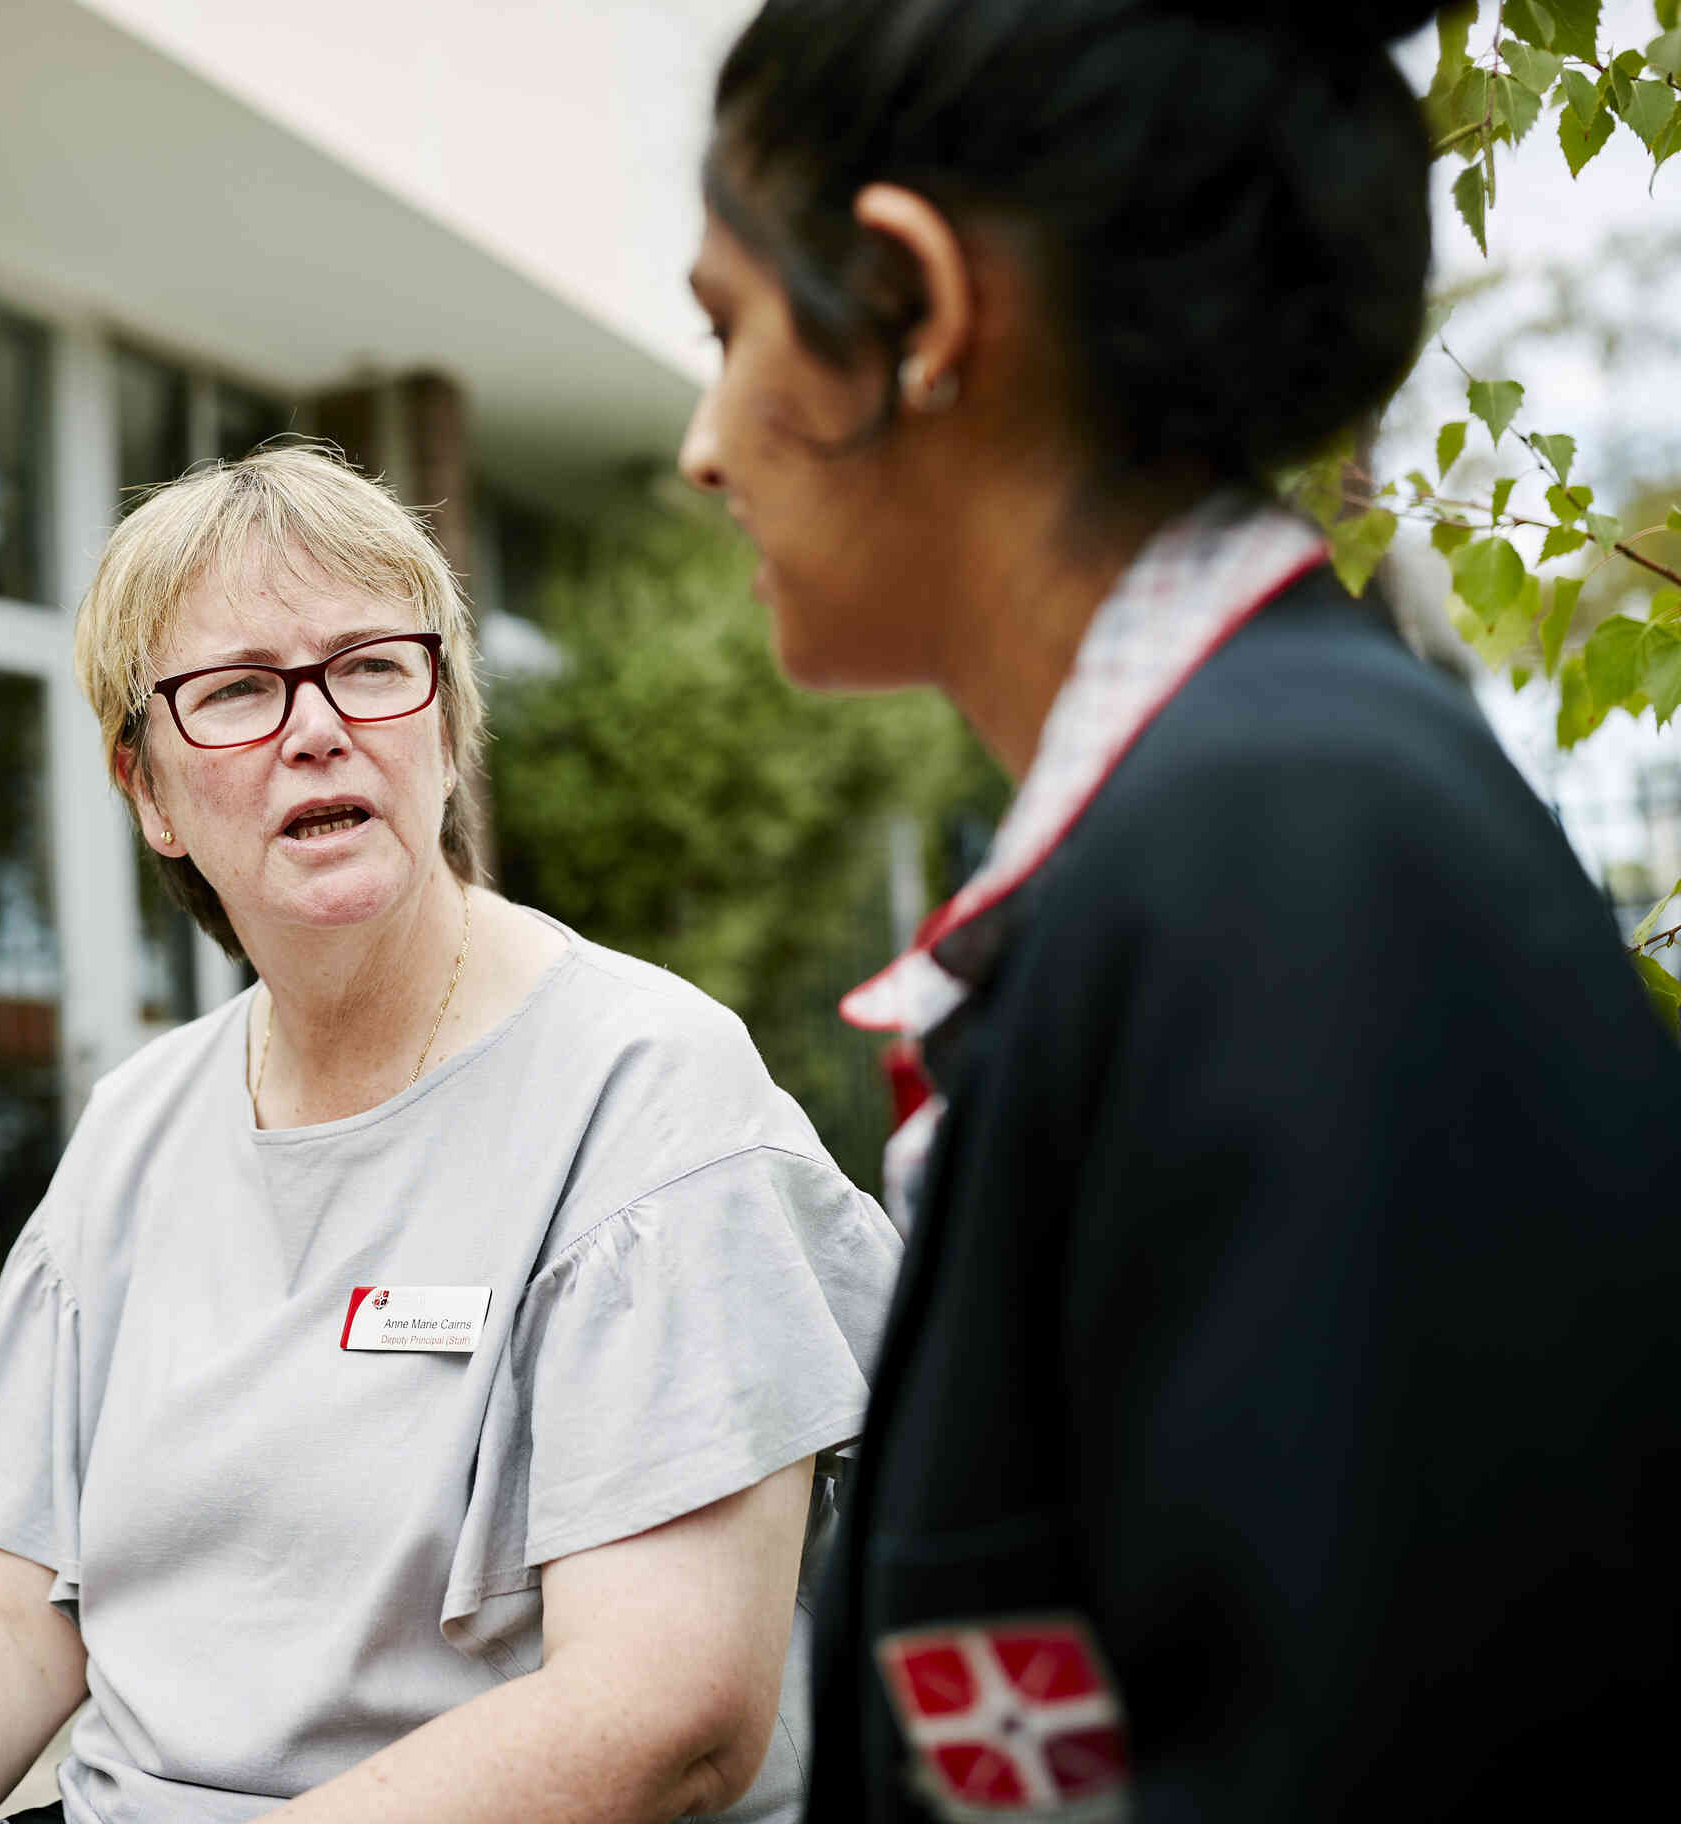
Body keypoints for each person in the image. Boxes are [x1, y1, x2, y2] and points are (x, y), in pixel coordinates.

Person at [676, 0, 1681, 1817]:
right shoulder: (1235, 827)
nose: (701, 445)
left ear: (915, 309)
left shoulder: (1299, 859)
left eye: (726, 328)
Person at [0, 446, 902, 1824]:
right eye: (236, 690)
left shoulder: (646, 1095)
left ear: (447, 729)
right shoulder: (139, 1126)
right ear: (149, 794)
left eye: (372, 667)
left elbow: (664, 1714)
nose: (317, 728)